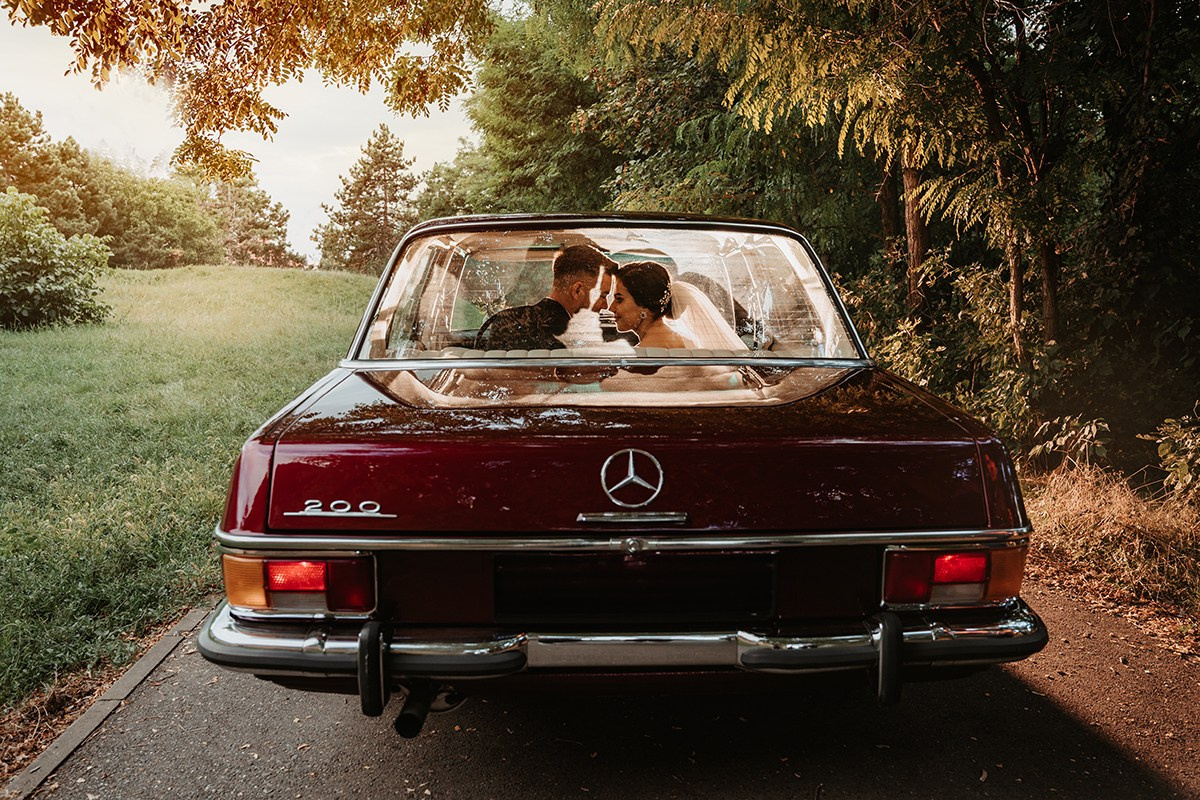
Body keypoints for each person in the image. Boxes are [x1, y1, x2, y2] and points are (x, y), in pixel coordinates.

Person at [474, 244, 616, 351]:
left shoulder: (503, 319)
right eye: (602, 295)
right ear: (577, 290)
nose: (606, 306)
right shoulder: (574, 338)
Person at [608, 260, 748, 351]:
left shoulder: (640, 358)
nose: (611, 308)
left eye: (619, 299)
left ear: (644, 306)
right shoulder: (686, 341)